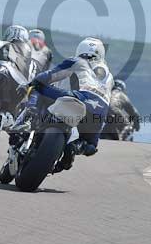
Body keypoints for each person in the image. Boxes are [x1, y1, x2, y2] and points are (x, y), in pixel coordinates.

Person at [15, 37, 113, 170]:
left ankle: (28, 117)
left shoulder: (77, 61)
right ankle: (74, 148)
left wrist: (31, 83)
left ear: (80, 49)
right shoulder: (109, 75)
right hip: (99, 113)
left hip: (79, 98)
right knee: (90, 146)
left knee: (38, 87)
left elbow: (51, 75)